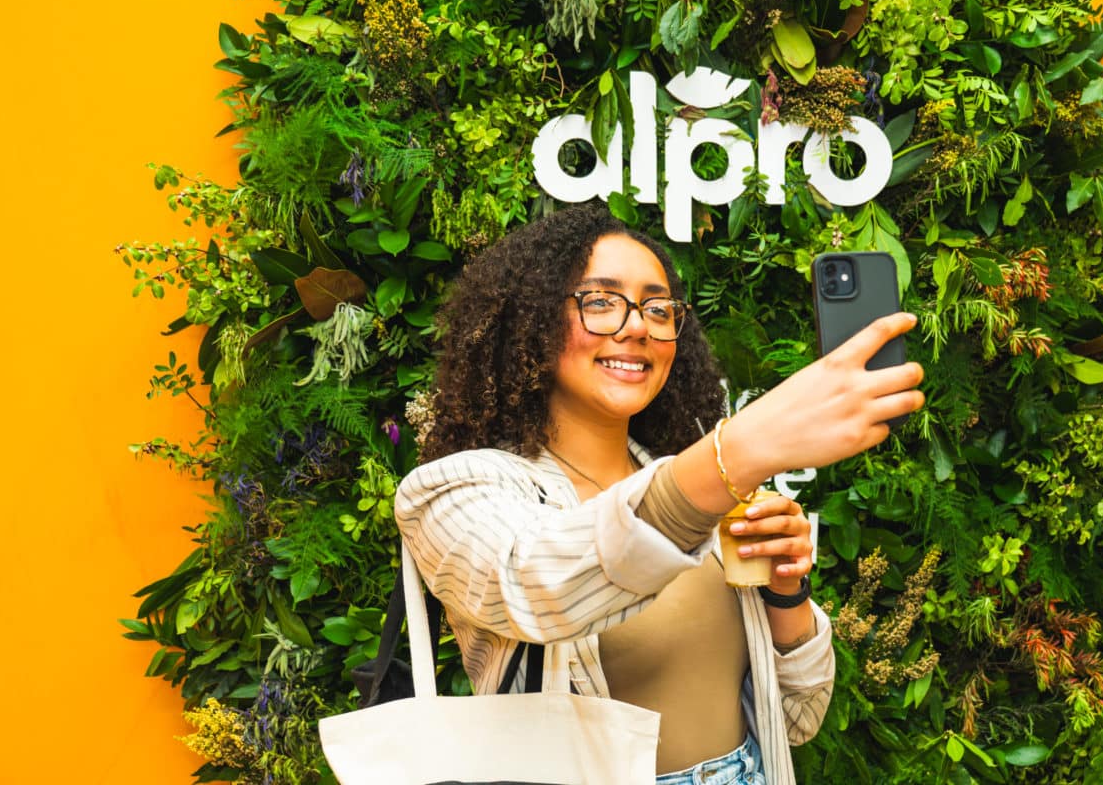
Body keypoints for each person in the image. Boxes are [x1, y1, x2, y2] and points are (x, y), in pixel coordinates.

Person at [395, 202, 923, 785]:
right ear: (533, 324)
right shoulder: (453, 491)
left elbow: (798, 715)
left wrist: (786, 595)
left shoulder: (702, 491)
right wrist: (740, 448)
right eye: (600, 302)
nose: (638, 325)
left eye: (657, 306)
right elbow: (534, 584)